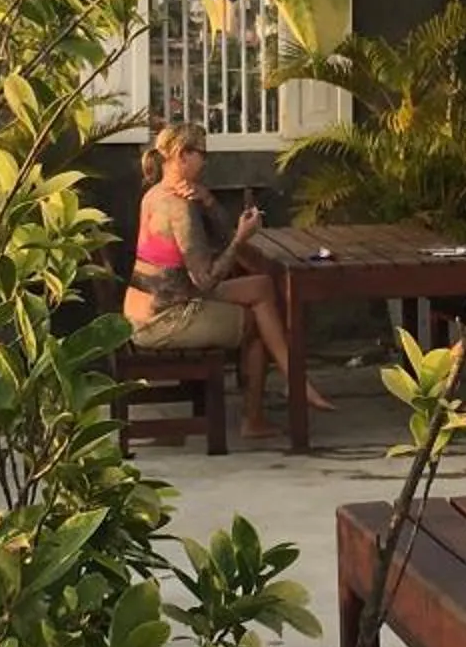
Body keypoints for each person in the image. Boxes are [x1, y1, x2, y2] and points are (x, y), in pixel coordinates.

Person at [123, 121, 329, 437]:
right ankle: (261, 413)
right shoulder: (177, 207)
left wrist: (207, 200)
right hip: (165, 319)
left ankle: (295, 382)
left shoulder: (154, 194)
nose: (206, 162)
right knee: (259, 322)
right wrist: (240, 241)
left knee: (261, 287)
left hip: (150, 306)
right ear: (182, 155)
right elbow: (206, 279)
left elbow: (219, 235)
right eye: (202, 155)